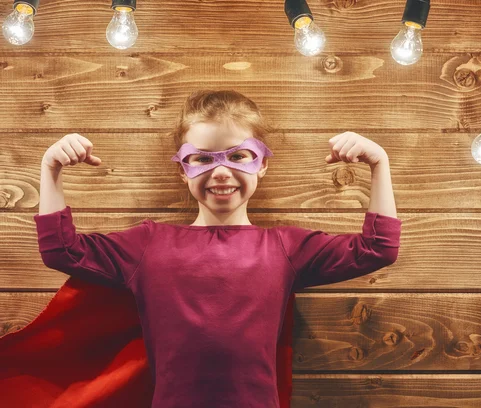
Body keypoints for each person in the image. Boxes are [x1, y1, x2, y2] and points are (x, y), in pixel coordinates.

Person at [29, 89, 401, 407]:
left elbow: (377, 249)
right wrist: (50, 168)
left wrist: (379, 163)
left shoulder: (286, 248)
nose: (220, 171)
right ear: (182, 169)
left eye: (238, 155)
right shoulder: (148, 245)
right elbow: (62, 251)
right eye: (203, 158)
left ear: (262, 164)